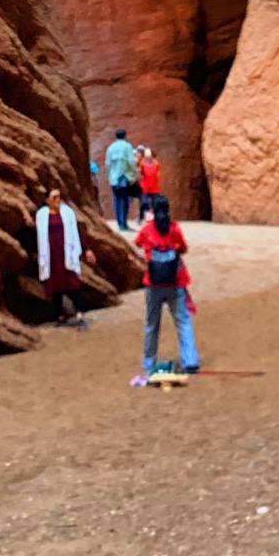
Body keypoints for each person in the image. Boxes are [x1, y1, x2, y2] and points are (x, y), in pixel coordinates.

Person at [133, 195, 198, 377]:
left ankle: (148, 361)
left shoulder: (147, 230)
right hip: (174, 282)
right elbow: (183, 248)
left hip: (153, 284)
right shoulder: (174, 228)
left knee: (152, 324)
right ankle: (190, 361)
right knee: (183, 321)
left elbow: (137, 242)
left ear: (152, 210)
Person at [35, 186, 94, 325]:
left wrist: (87, 249)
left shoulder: (68, 213)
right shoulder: (42, 215)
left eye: (59, 197)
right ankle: (60, 315)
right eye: (54, 197)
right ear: (47, 200)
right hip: (51, 255)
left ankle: (80, 312)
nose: (58, 200)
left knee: (72, 283)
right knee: (54, 285)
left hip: (67, 253)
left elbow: (77, 230)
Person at [104, 129, 139, 228]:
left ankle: (119, 222)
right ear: (125, 136)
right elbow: (131, 161)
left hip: (114, 178)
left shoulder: (111, 147)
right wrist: (134, 173)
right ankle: (123, 222)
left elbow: (108, 163)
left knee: (117, 199)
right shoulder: (127, 146)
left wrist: (108, 176)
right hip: (124, 177)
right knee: (124, 199)